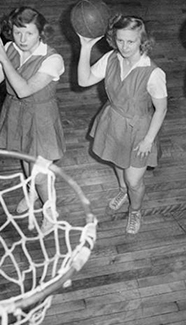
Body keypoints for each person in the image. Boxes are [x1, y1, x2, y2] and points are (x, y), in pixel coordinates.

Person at [0, 6, 66, 232]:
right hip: (15, 114)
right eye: (17, 32)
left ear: (41, 33)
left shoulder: (52, 59)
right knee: (26, 164)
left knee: (40, 175)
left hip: (40, 118)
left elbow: (24, 90)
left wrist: (4, 60)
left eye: (29, 33)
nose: (22, 39)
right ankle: (33, 194)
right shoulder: (9, 48)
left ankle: (50, 211)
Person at [77, 15, 167, 234]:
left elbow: (161, 109)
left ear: (142, 41)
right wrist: (85, 48)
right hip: (113, 120)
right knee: (117, 161)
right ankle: (122, 189)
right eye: (120, 40)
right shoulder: (111, 58)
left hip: (139, 129)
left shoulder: (153, 73)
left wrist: (148, 140)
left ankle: (135, 210)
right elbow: (83, 80)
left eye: (131, 41)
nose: (125, 47)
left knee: (134, 180)